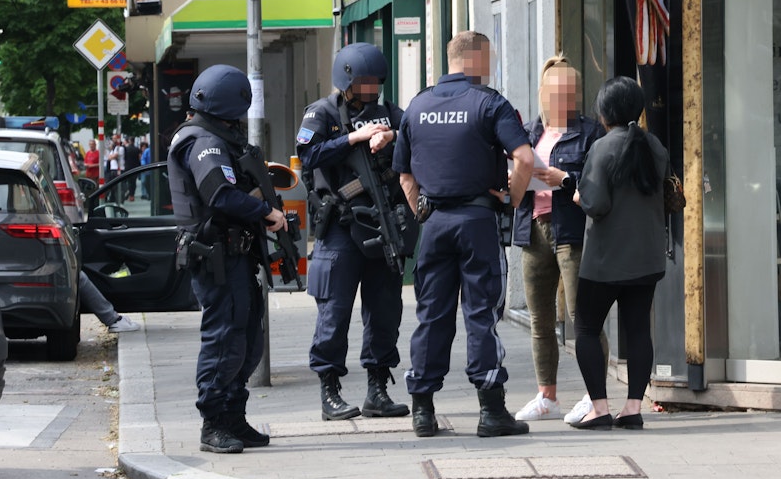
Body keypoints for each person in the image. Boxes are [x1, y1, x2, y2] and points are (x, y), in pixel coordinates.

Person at [393, 30, 534, 438]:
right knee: (481, 315)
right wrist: (512, 198)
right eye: (489, 59)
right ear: (476, 59)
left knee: (431, 315)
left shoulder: (417, 106)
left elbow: (404, 174)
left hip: (434, 226)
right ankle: (491, 412)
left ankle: (423, 411)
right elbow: (524, 158)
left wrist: (423, 211)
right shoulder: (489, 103)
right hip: (477, 223)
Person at [167, 64, 288, 453]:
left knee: (249, 339)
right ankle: (213, 423)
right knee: (225, 340)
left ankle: (234, 417)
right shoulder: (205, 142)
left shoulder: (216, 138)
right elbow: (220, 195)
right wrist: (266, 213)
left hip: (235, 255)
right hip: (218, 256)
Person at [296, 42, 414, 421]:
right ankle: (330, 390)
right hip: (340, 229)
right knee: (335, 312)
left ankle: (377, 389)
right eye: (363, 83)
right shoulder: (322, 113)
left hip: (382, 225)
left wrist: (392, 137)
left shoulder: (390, 114)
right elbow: (308, 156)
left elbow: (415, 140)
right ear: (345, 80)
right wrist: (353, 138)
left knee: (384, 310)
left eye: (375, 82)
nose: (370, 90)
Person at [510, 56, 609, 425]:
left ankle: (593, 395)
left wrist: (563, 177)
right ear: (542, 93)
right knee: (540, 319)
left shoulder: (589, 132)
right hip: (534, 228)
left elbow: (599, 182)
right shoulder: (529, 132)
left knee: (582, 318)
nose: (560, 99)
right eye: (554, 92)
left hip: (573, 231)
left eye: (567, 92)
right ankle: (546, 395)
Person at [570, 76, 668, 430]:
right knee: (639, 329)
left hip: (605, 261)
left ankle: (598, 408)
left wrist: (577, 194)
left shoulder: (603, 147)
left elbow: (596, 203)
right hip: (647, 257)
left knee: (585, 327)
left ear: (604, 111)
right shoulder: (654, 146)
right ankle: (632, 408)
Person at [123, 136, 141, 201]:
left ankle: (129, 194)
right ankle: (132, 195)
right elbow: (139, 158)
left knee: (129, 182)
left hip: (127, 167)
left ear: (129, 141)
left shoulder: (126, 149)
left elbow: (124, 158)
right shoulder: (137, 149)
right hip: (135, 167)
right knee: (133, 182)